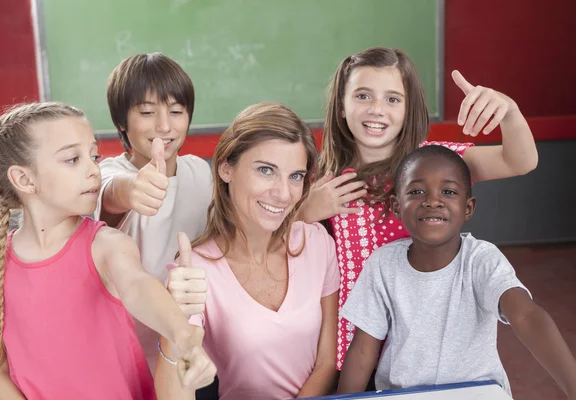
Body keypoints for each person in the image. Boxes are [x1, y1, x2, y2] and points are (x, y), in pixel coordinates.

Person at [301, 47, 539, 370]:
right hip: (352, 343)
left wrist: (508, 112)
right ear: (341, 106)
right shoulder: (322, 175)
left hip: (417, 342)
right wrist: (305, 212)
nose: (377, 110)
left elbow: (520, 161)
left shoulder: (432, 163)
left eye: (392, 99)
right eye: (362, 96)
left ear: (408, 108)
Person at [0, 102, 215, 400]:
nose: (94, 170)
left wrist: (185, 336)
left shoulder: (107, 244)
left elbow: (138, 287)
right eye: (73, 159)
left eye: (93, 156)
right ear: (24, 179)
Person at [337, 145, 576, 397]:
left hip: (475, 392)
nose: (432, 201)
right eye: (417, 191)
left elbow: (526, 317)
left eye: (448, 191)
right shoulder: (383, 264)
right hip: (403, 394)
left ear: (468, 208)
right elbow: (363, 351)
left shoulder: (481, 260)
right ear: (397, 206)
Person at [156, 102, 340, 400]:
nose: (283, 193)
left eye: (295, 176)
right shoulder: (197, 270)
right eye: (266, 170)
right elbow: (175, 392)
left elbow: (326, 364)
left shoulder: (317, 243)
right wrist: (172, 323)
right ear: (226, 168)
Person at [93, 52, 213, 369]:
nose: (164, 125)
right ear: (121, 121)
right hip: (124, 357)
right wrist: (133, 190)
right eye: (147, 112)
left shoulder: (200, 172)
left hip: (190, 350)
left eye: (176, 111)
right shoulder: (105, 174)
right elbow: (111, 194)